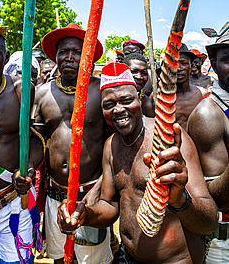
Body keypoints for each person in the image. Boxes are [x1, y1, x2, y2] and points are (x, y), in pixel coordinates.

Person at [58, 61, 218, 264]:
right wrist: (85, 214)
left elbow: (209, 221)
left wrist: (180, 199)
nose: (118, 109)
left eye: (126, 100)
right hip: (129, 257)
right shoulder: (112, 146)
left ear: (140, 100)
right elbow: (109, 205)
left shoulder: (169, 139)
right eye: (108, 105)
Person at [34, 23, 113, 264]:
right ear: (55, 56)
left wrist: (103, 188)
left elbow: (114, 143)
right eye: (63, 51)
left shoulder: (102, 91)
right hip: (54, 194)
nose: (69, 57)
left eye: (77, 51)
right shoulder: (41, 93)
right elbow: (36, 143)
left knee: (93, 259)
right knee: (59, 258)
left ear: (87, 55)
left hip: (91, 196)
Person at [0, 16, 44, 263]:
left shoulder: (20, 90)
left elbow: (34, 141)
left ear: (4, 59)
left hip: (11, 200)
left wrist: (26, 169)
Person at [188, 23, 229, 262]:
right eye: (228, 59)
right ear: (213, 65)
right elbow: (219, 198)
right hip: (223, 242)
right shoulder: (209, 114)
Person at [176, 44, 207, 130]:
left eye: (184, 63)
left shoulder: (202, 94)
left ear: (191, 66)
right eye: (174, 63)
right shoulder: (158, 96)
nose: (178, 68)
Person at [124, 53, 155, 117]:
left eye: (144, 73)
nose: (139, 77)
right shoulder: (111, 96)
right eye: (134, 71)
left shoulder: (147, 104)